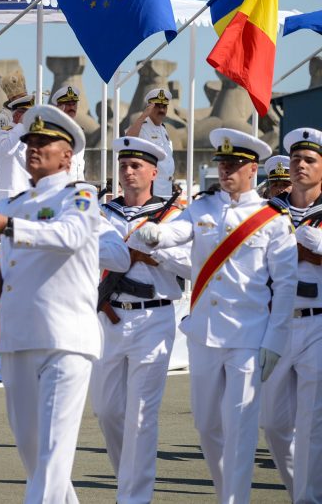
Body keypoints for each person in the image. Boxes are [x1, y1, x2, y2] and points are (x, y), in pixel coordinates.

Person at [129, 127, 297, 503]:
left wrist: (275, 340)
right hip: (204, 335)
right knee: (206, 426)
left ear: (252, 169)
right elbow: (177, 233)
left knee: (240, 429)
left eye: (234, 164)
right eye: (222, 163)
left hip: (249, 338)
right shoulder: (201, 207)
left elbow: (285, 286)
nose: (225, 171)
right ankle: (227, 493)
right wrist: (155, 233)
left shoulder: (271, 218)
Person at [0, 104, 120, 503]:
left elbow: (70, 236)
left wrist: (7, 226)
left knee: (52, 453)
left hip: (65, 339)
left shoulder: (79, 196)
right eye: (30, 140)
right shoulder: (14, 202)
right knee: (32, 452)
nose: (33, 147)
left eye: (44, 141)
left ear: (67, 155)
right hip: (18, 337)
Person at [93, 136, 190, 504]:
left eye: (136, 166)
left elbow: (193, 264)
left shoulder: (173, 217)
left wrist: (157, 256)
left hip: (154, 318)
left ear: (153, 172)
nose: (128, 172)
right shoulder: (104, 213)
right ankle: (128, 483)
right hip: (111, 318)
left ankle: (134, 497)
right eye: (123, 166)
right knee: (106, 411)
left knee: (141, 415)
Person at [259, 127, 322, 503]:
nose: (300, 165)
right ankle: (306, 490)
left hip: (318, 321)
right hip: (276, 323)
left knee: (312, 423)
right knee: (275, 425)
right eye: (296, 158)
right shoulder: (268, 212)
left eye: (310, 160)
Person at [125, 88, 175, 197]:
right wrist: (144, 115)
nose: (161, 110)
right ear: (149, 107)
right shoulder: (143, 127)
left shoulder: (163, 129)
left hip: (166, 187)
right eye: (157, 106)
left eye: (164, 106)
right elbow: (128, 139)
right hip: (152, 188)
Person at [0, 93, 33, 204]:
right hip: (8, 198)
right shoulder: (4, 133)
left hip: (28, 196)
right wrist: (21, 125)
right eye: (30, 114)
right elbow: (6, 150)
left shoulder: (32, 135)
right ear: (17, 115)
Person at [0, 70, 28, 177]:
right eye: (21, 97)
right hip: (5, 173)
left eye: (25, 96)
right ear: (12, 99)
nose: (25, 100)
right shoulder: (3, 119)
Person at [49, 84, 86, 182]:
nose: (72, 107)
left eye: (74, 104)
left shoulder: (79, 131)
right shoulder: (54, 130)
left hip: (78, 185)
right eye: (68, 104)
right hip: (61, 185)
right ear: (59, 107)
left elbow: (79, 164)